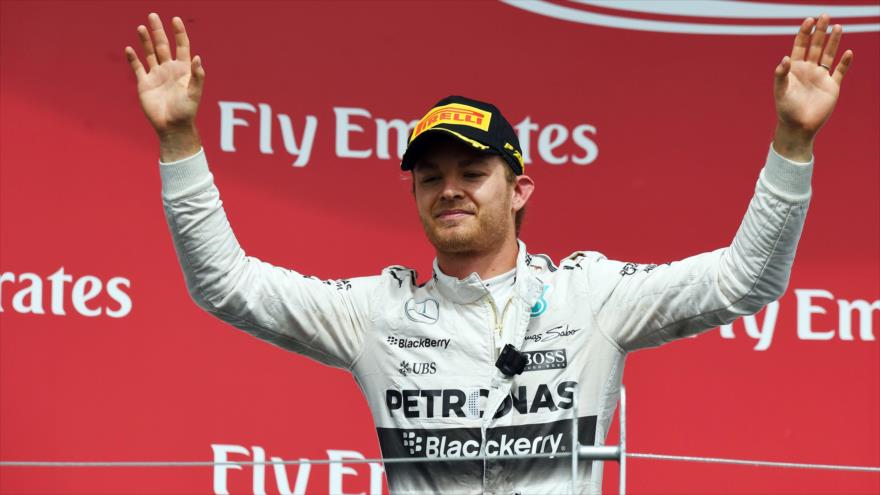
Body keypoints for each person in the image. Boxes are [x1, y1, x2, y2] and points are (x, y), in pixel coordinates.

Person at [125, 12, 853, 495]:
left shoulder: (590, 297)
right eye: (430, 177)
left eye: (473, 173)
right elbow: (226, 285)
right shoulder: (375, 313)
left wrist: (793, 143)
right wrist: (178, 141)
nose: (450, 190)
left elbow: (747, 280)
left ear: (520, 188)